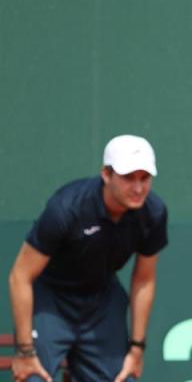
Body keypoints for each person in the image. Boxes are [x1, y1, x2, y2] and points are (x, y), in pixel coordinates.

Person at [8, 135, 168, 382]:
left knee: (122, 379)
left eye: (144, 178)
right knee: (32, 378)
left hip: (102, 302)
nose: (138, 188)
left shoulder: (153, 213)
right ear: (106, 174)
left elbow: (144, 280)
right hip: (52, 301)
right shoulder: (66, 208)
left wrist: (136, 349)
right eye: (128, 178)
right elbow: (20, 276)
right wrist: (24, 351)